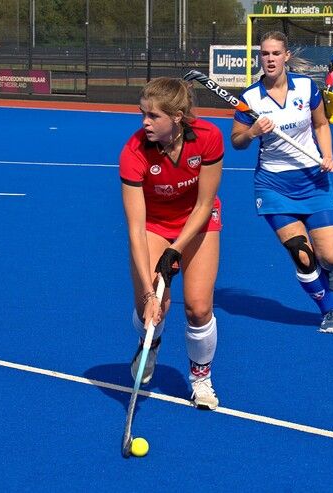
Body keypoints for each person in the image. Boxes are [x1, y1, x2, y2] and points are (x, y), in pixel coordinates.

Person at [119, 77, 224, 410]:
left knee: (198, 307)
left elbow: (204, 204)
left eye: (154, 116)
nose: (145, 123)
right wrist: (150, 294)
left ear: (178, 116)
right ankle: (150, 344)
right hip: (153, 224)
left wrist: (175, 249)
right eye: (143, 114)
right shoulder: (133, 151)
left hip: (198, 222)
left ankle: (201, 379)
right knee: (153, 310)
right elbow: (136, 228)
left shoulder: (208, 138)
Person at [231, 31, 333, 334]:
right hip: (273, 186)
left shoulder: (307, 87)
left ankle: (331, 268)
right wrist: (253, 131)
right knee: (302, 254)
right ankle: (329, 309)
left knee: (330, 257)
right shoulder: (250, 99)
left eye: (275, 53)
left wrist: (328, 155)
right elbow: (237, 141)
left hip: (313, 179)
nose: (270, 59)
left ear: (286, 57)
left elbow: (321, 124)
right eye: (265, 54)